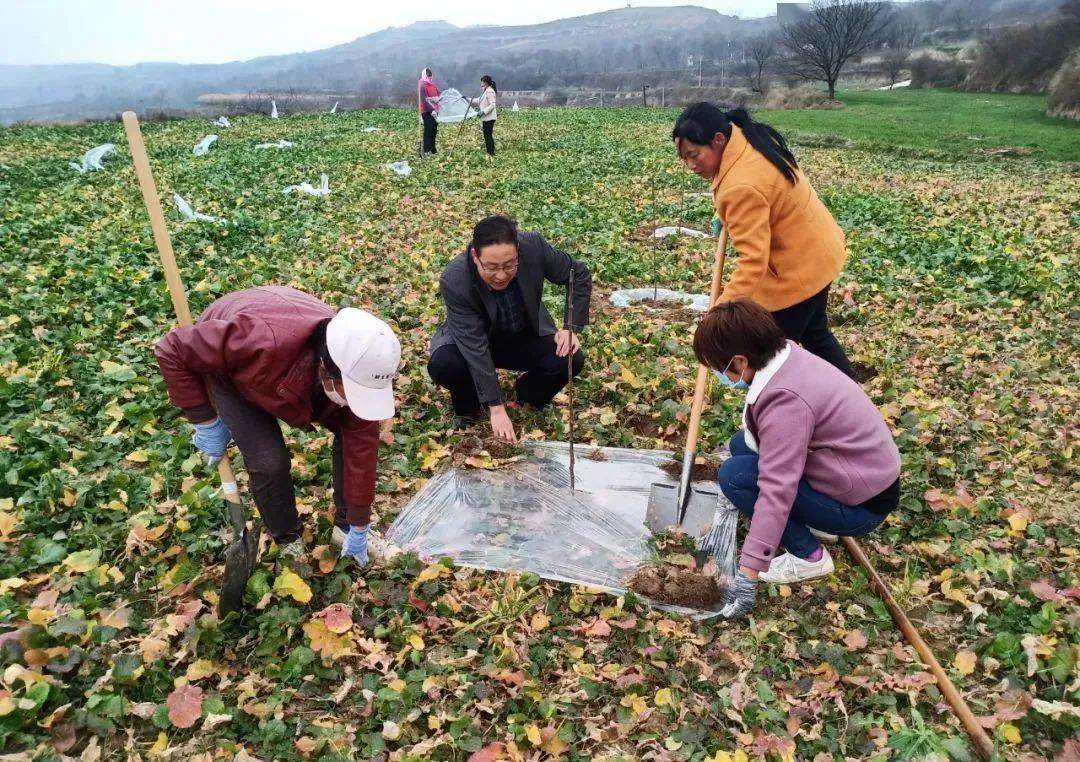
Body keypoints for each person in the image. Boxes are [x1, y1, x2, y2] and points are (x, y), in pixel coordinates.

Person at [155, 286, 402, 569]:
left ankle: (344, 530)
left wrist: (358, 521)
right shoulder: (255, 339)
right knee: (268, 461)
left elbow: (361, 453)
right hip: (234, 370)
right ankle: (286, 537)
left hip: (287, 355)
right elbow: (172, 348)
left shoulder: (362, 367)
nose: (358, 403)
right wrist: (204, 418)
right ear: (326, 368)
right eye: (354, 393)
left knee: (354, 432)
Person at [693, 299, 901, 618]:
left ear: (740, 360)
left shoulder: (786, 401)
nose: (721, 376)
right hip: (857, 472)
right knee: (741, 446)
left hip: (863, 506)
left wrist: (749, 572)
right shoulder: (787, 356)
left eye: (720, 368)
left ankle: (810, 556)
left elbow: (777, 490)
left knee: (736, 477)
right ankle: (821, 518)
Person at [673, 102, 856, 378]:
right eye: (684, 158)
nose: (690, 165)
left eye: (694, 155)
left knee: (771, 360)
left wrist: (719, 312)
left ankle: (777, 410)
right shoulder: (745, 137)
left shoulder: (740, 185)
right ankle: (852, 397)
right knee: (815, 334)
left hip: (797, 270)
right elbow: (758, 192)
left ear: (718, 140)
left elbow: (753, 262)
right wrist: (725, 213)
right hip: (818, 251)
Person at [428, 215, 591, 443]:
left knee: (569, 357)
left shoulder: (533, 246)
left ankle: (526, 398)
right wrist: (495, 407)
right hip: (474, 341)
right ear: (476, 257)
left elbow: (578, 274)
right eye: (492, 268)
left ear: (518, 252)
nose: (501, 275)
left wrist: (571, 327)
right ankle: (470, 405)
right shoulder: (456, 279)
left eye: (509, 265)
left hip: (523, 334)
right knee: (446, 364)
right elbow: (474, 346)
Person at [419, 67, 441, 154]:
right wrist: (432, 110)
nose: (430, 78)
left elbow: (439, 94)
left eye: (430, 76)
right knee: (428, 129)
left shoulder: (433, 85)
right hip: (427, 111)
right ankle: (426, 149)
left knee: (434, 129)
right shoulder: (422, 86)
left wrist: (437, 98)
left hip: (435, 111)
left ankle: (432, 148)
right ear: (424, 76)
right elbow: (424, 100)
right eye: (428, 76)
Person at [476, 75, 498, 156]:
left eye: (483, 82)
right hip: (486, 118)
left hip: (490, 117)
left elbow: (492, 105)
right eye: (481, 82)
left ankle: (491, 152)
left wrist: (483, 112)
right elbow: (478, 100)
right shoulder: (485, 91)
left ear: (487, 83)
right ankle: (489, 151)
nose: (482, 84)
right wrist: (467, 99)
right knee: (487, 135)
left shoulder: (489, 91)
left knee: (488, 135)